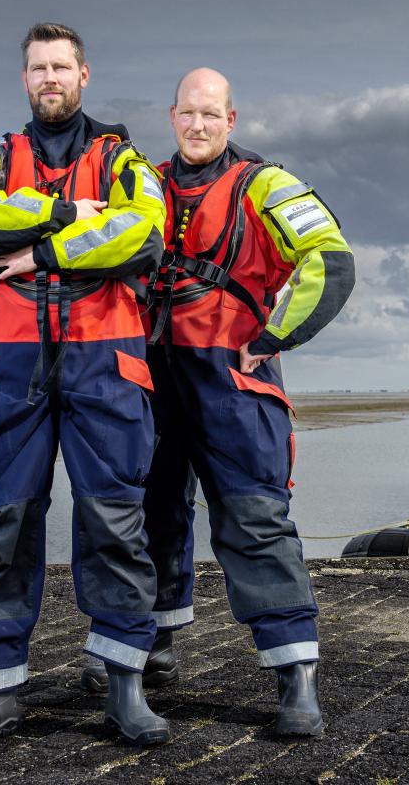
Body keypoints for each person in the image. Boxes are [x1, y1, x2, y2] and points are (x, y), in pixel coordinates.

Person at [81, 67, 354, 737]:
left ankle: (296, 679)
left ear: (230, 121)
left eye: (211, 115)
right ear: (172, 117)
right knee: (148, 515)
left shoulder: (266, 186)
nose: (198, 126)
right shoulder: (142, 184)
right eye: (187, 114)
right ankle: (157, 645)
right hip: (148, 374)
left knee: (254, 519)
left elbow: (331, 259)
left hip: (232, 376)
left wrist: (274, 334)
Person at [0, 23, 169, 749]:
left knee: (115, 526)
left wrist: (38, 251)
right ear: (24, 79)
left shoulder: (122, 158)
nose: (49, 78)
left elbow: (145, 233)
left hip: (105, 357)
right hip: (7, 362)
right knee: (1, 528)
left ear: (84, 75)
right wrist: (70, 215)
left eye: (60, 66)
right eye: (37, 67)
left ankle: (125, 686)